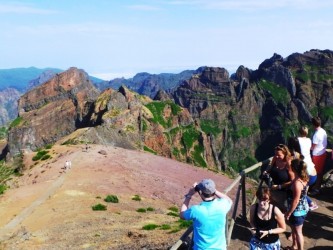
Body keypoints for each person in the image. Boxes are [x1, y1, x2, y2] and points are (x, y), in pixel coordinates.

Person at [180, 179, 232, 250]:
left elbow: (182, 215)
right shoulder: (222, 205)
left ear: (200, 192)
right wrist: (213, 190)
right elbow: (229, 200)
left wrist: (189, 195)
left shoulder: (196, 210)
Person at [285, 159, 309, 250]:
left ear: (294, 168)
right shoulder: (304, 178)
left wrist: (289, 212)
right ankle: (294, 246)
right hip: (303, 207)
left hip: (297, 211)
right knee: (294, 229)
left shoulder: (297, 183)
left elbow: (295, 200)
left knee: (298, 232)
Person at [263, 144, 294, 212]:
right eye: (275, 154)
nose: (276, 156)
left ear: (285, 154)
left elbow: (293, 180)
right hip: (272, 188)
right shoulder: (275, 158)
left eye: (279, 155)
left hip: (283, 192)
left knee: (280, 211)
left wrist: (279, 186)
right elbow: (270, 167)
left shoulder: (289, 164)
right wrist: (266, 171)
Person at [297, 126, 318, 210]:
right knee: (304, 191)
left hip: (305, 169)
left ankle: (310, 204)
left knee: (300, 192)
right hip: (313, 171)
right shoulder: (309, 140)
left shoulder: (297, 140)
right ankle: (308, 203)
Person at [310, 117, 327, 195]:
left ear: (313, 125)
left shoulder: (316, 135)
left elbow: (313, 147)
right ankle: (316, 186)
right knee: (320, 172)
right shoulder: (323, 131)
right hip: (323, 153)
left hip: (317, 155)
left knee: (316, 172)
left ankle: (316, 189)